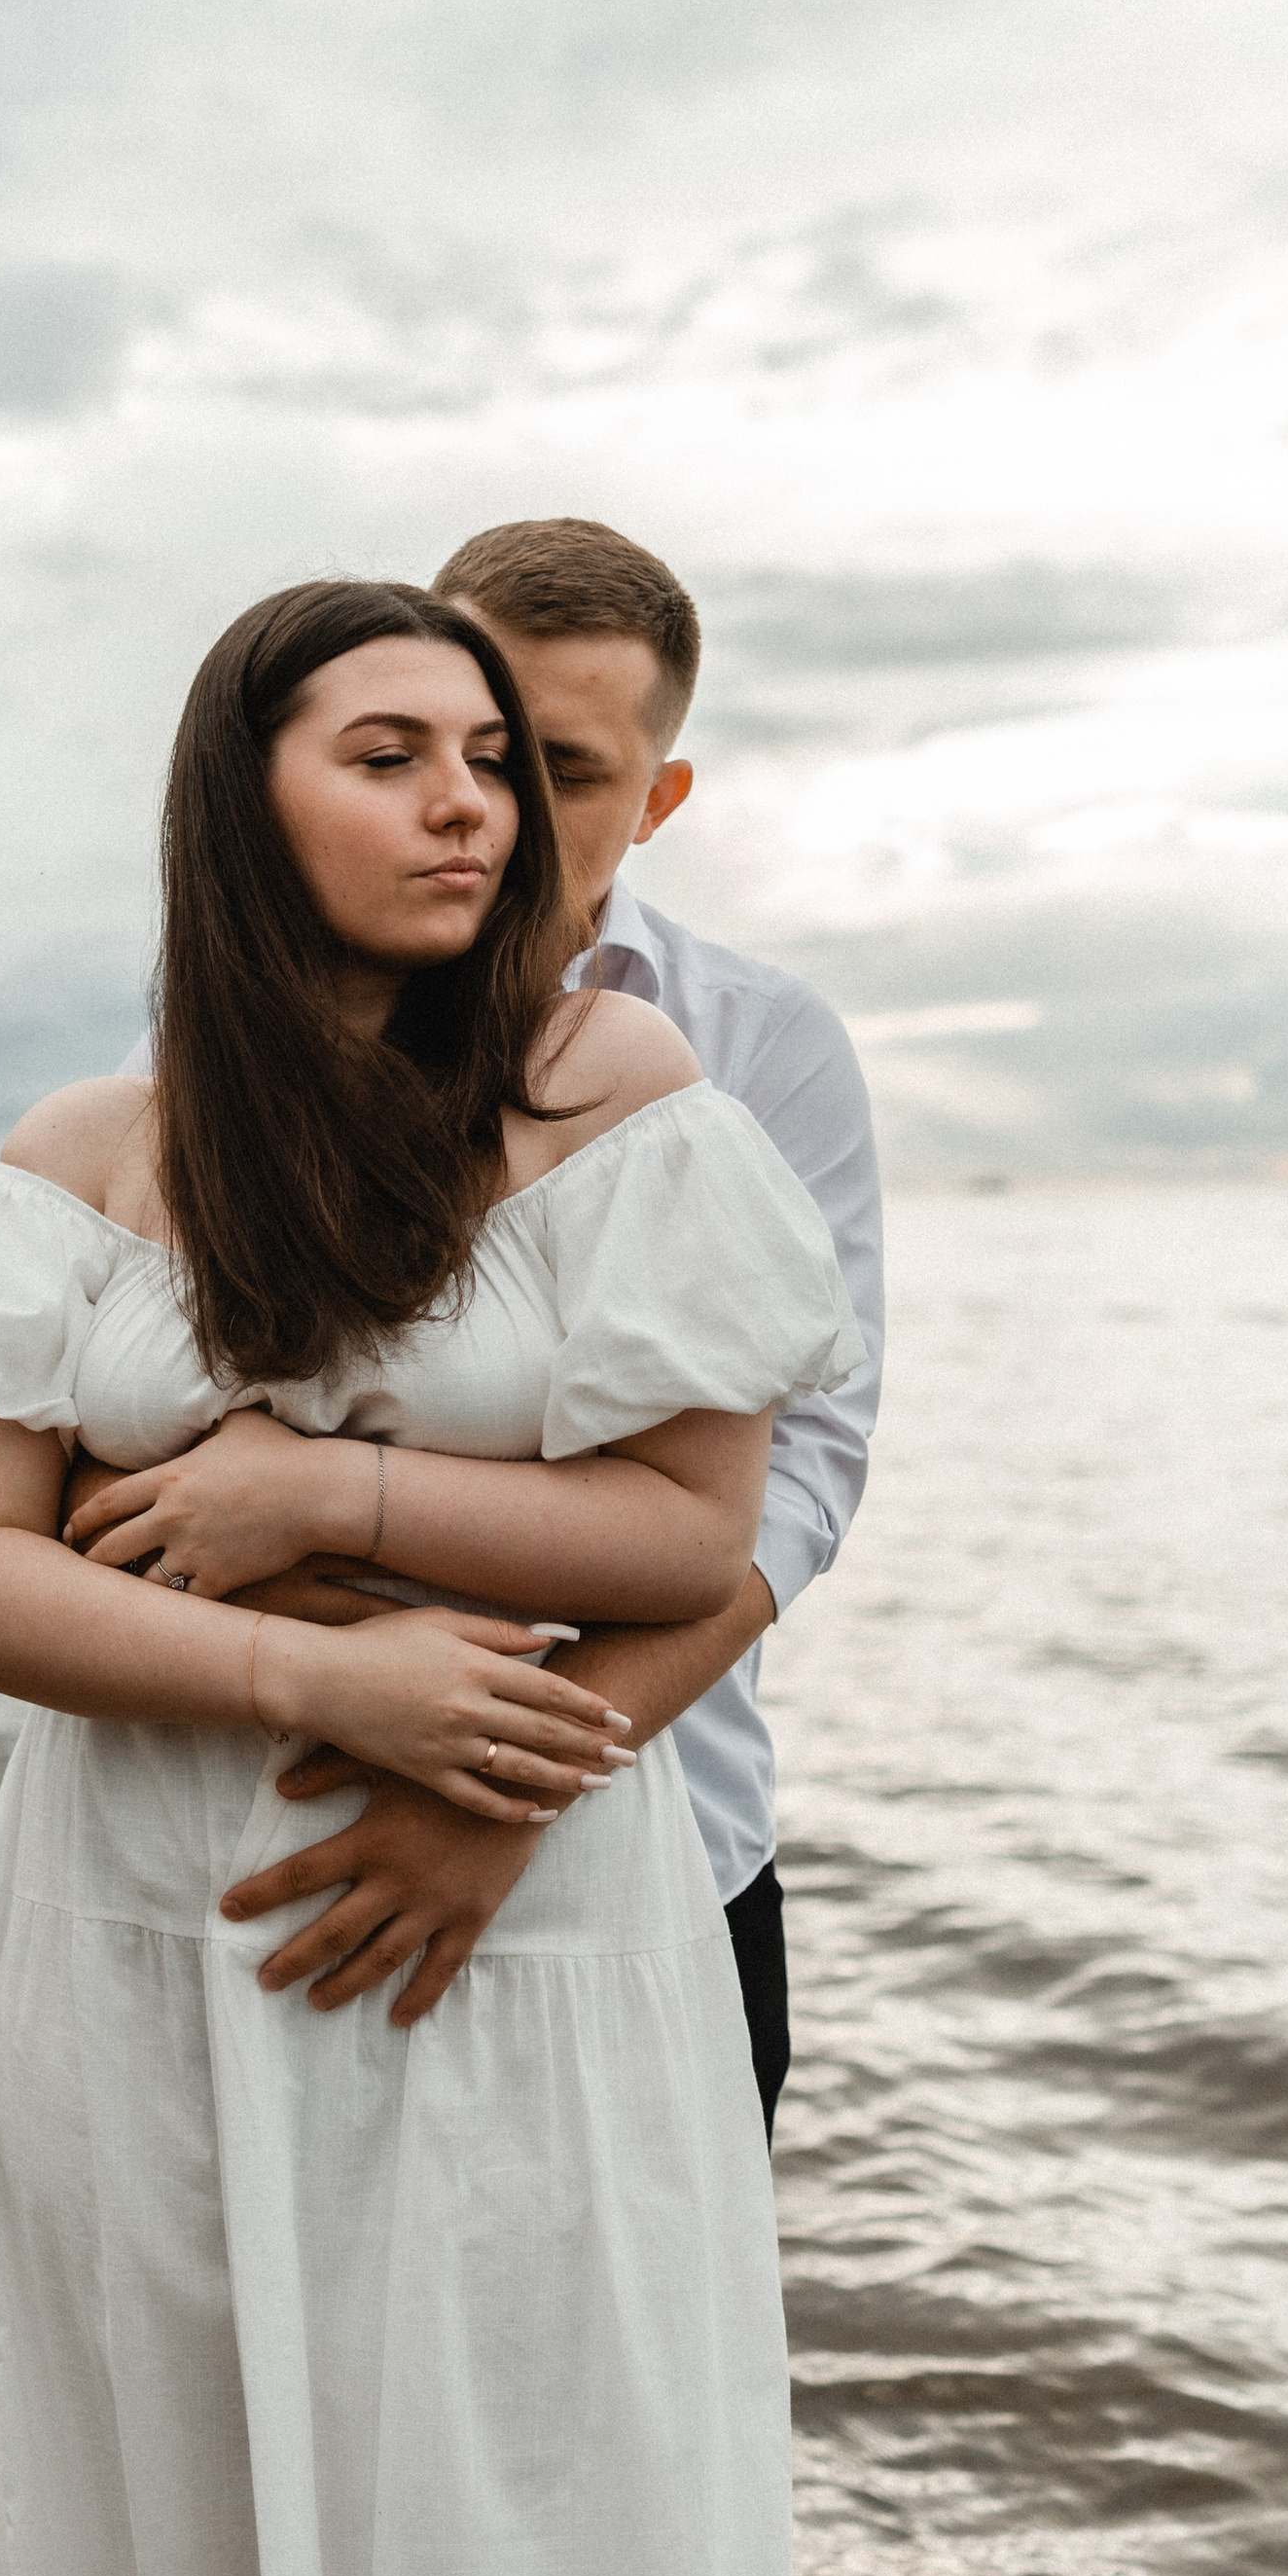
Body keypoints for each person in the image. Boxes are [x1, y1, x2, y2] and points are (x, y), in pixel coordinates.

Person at [0, 579, 867, 2576]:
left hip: (521, 1942)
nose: (464, 803)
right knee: (222, 2555)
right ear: (239, 799)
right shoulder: (89, 1153)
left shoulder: (614, 1092)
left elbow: (693, 1525)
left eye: (499, 763)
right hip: (143, 1939)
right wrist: (329, 1679)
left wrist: (330, 1503)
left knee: (549, 2553)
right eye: (388, 749)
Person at [142, 520, 885, 2133]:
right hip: (277, 1843)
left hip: (664, 1827)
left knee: (645, 2357)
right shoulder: (254, 1038)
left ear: (659, 798)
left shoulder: (753, 1046)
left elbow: (799, 1481)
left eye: (557, 764)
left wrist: (515, 1793)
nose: (488, 807)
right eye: (452, 744)